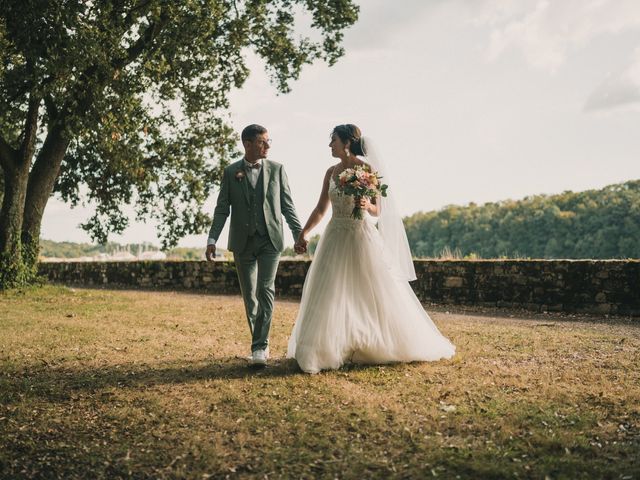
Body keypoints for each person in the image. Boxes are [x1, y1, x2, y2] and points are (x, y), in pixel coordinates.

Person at [287, 124, 455, 374]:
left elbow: (380, 209)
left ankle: (377, 342)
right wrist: (305, 232)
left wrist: (367, 205)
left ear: (346, 142)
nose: (329, 145)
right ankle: (323, 348)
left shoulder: (367, 169)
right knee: (331, 290)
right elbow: (321, 208)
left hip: (361, 234)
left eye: (332, 140)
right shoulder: (331, 172)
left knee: (370, 290)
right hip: (335, 236)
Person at [206, 124, 307, 366]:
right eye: (263, 142)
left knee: (265, 290)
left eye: (268, 141)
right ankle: (260, 340)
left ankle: (259, 347)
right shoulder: (231, 172)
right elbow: (222, 209)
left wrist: (298, 234)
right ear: (247, 144)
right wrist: (212, 239)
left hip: (270, 239)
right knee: (250, 296)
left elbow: (287, 206)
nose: (268, 145)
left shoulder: (277, 169)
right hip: (242, 242)